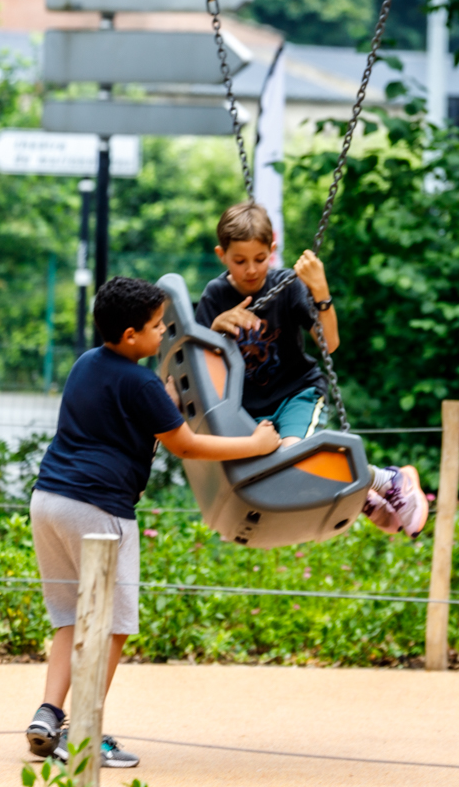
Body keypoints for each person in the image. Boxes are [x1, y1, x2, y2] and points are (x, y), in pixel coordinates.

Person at [25, 277, 282, 768]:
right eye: (156, 326)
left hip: (49, 501)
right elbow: (186, 444)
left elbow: (125, 420)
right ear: (128, 336)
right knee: (113, 626)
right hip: (98, 511)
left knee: (72, 619)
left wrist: (160, 398)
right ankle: (84, 731)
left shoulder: (86, 365)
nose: (164, 332)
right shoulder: (140, 382)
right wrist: (255, 446)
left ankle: (48, 715)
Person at [194, 201, 428, 535]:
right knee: (275, 475)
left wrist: (320, 291)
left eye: (260, 259)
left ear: (272, 251)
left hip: (295, 393)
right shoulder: (215, 295)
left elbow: (329, 343)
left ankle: (388, 479)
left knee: (289, 459)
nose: (250, 270)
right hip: (247, 409)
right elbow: (196, 360)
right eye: (239, 261)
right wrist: (215, 326)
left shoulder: (286, 286)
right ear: (221, 255)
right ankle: (361, 493)